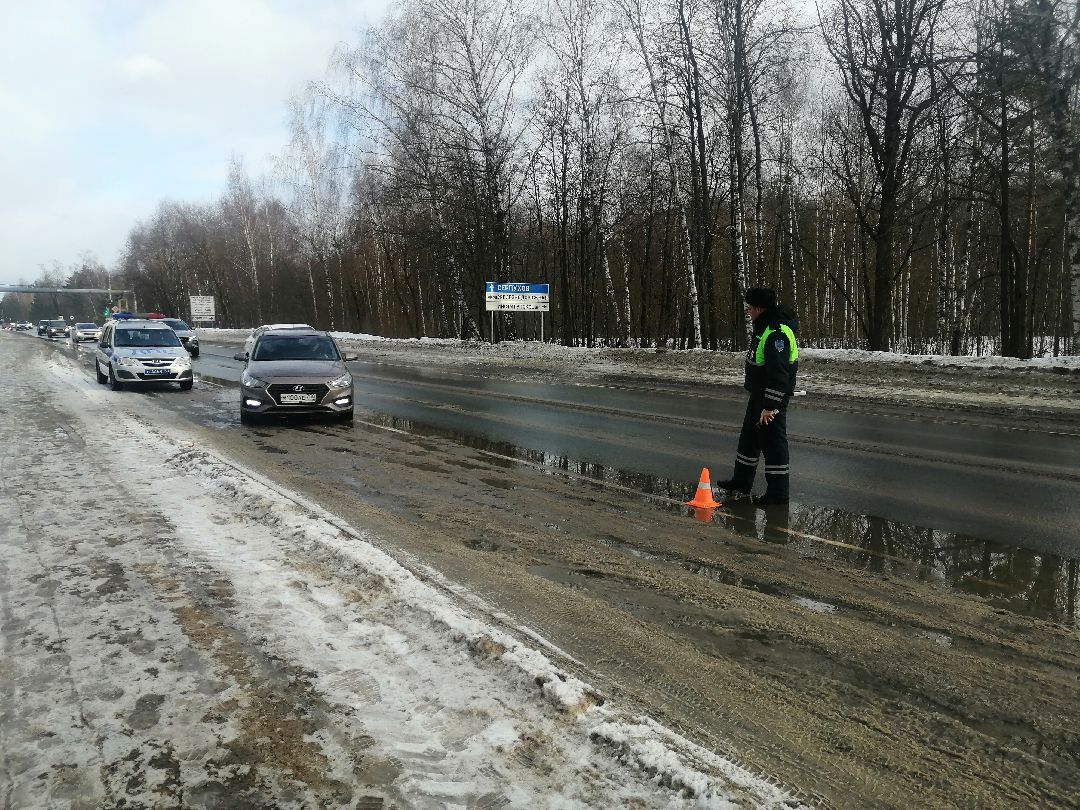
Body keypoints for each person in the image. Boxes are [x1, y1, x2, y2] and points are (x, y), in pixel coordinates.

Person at [717, 286, 799, 505]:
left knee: (773, 445)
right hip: (758, 395)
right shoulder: (763, 328)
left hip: (771, 399)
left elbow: (778, 374)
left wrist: (770, 406)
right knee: (749, 440)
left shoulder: (776, 333)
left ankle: (778, 494)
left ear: (760, 309)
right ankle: (741, 482)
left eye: (750, 308)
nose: (748, 311)